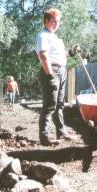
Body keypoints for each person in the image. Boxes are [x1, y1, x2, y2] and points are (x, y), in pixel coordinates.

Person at [36, 8, 75, 146]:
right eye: (53, 21)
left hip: (61, 71)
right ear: (46, 21)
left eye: (58, 21)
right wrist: (50, 75)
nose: (56, 23)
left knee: (59, 105)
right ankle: (44, 137)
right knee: (49, 106)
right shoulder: (43, 35)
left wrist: (71, 52)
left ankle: (61, 131)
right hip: (51, 72)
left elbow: (60, 54)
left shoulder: (55, 37)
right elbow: (43, 55)